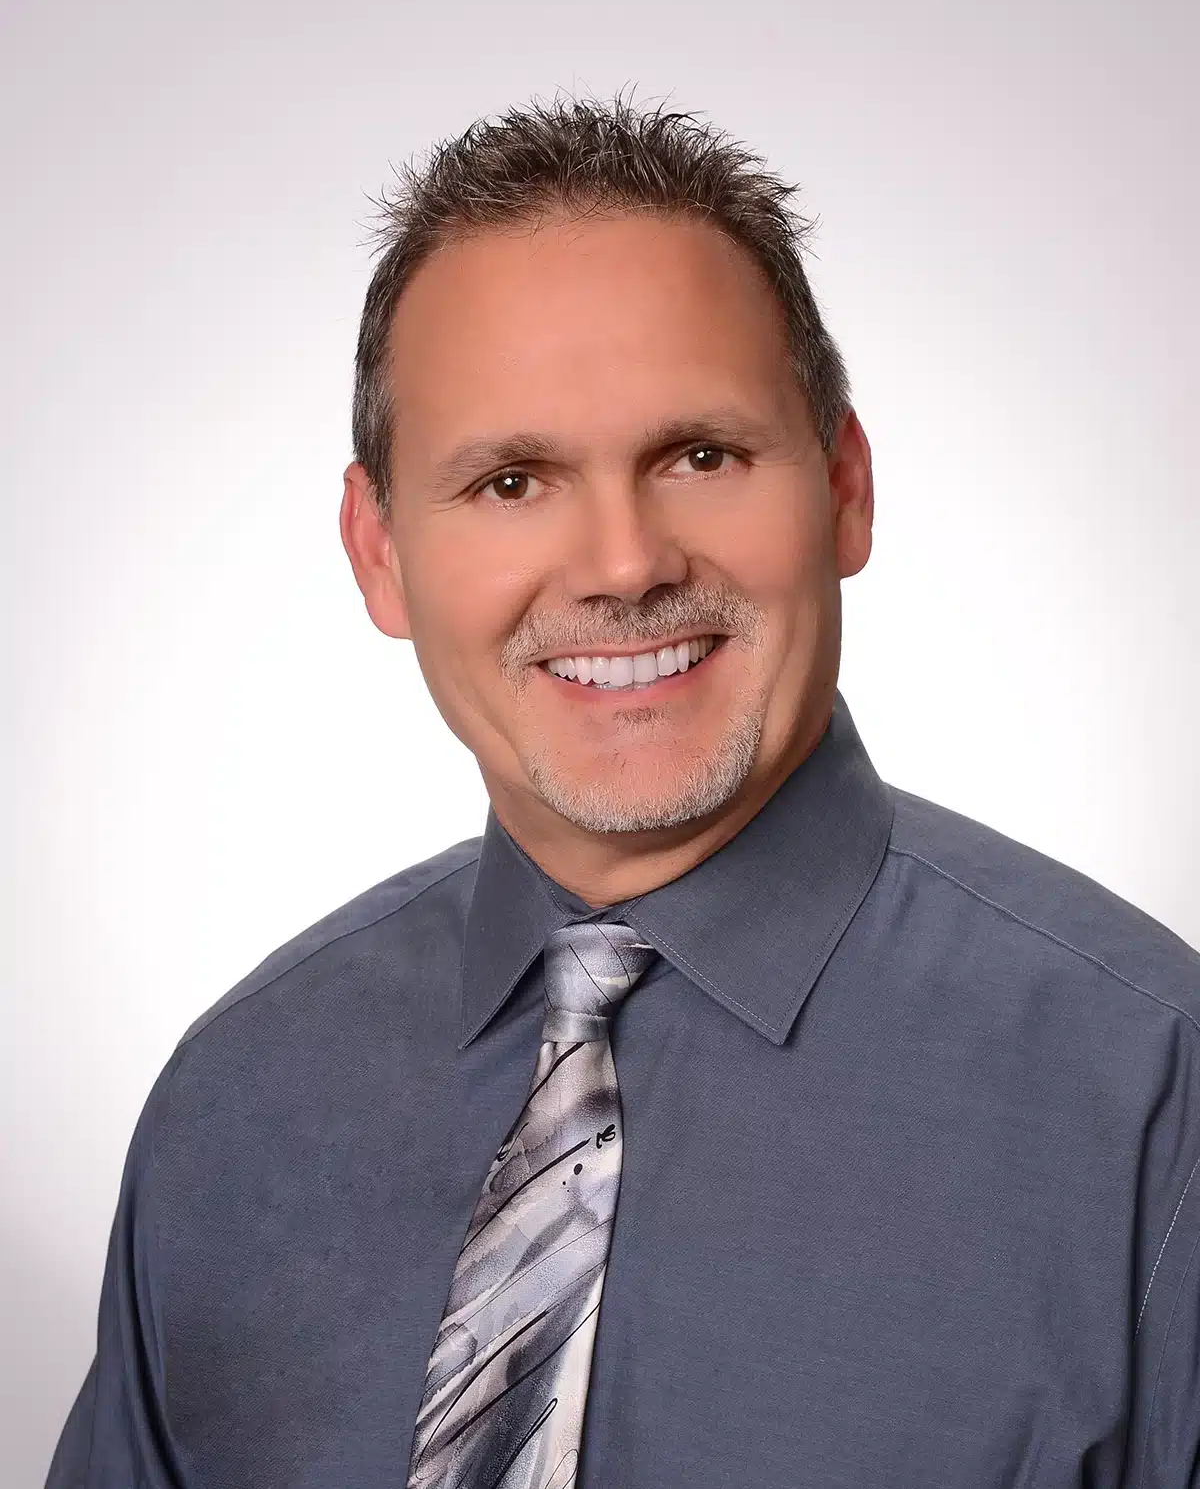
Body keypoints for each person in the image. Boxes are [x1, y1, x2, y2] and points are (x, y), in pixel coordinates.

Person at [46, 90, 1200, 1489]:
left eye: (700, 455)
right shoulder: (235, 1107)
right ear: (380, 553)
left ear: (843, 487)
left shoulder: (1153, 1098)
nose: (622, 563)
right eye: (512, 479)